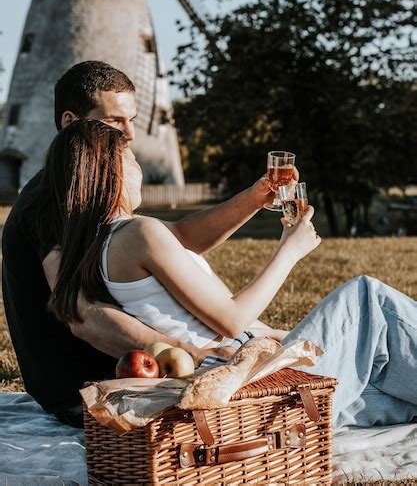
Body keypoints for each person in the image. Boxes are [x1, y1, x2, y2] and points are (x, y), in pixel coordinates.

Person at [40, 120, 417, 430]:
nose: (139, 169)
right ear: (113, 169)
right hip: (240, 383)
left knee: (384, 382)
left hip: (237, 382)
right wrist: (290, 249)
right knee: (367, 299)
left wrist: (255, 196)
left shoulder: (90, 246)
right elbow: (231, 320)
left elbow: (188, 235)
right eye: (132, 158)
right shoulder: (138, 234)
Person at [2, 61, 289, 427]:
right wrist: (189, 356)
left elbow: (180, 237)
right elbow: (83, 315)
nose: (130, 135)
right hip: (88, 389)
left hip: (120, 376)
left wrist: (253, 199)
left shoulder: (88, 192)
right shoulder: (52, 201)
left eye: (132, 119)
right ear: (71, 122)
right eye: (114, 122)